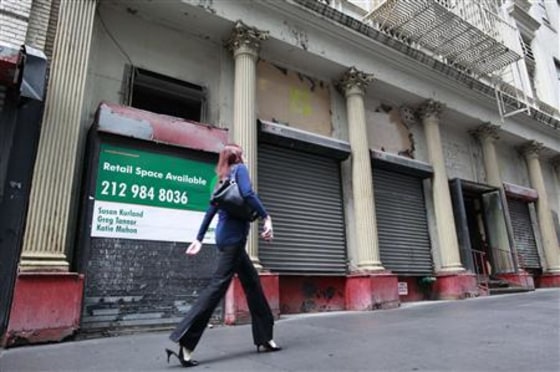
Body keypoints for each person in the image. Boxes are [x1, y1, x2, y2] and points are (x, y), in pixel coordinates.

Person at [165, 143, 281, 368]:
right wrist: (267, 217)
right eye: (243, 153)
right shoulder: (240, 171)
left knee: (253, 285)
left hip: (225, 239)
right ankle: (185, 343)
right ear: (237, 156)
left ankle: (265, 337)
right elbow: (247, 194)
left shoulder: (222, 180)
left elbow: (211, 210)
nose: (245, 156)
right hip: (234, 241)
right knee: (217, 287)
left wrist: (199, 238)